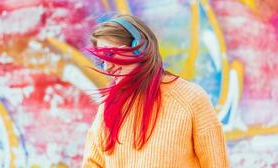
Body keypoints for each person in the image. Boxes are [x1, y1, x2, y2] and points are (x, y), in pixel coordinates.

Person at [82, 14, 230, 168]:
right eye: (102, 60)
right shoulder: (108, 108)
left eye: (111, 54)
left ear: (141, 48)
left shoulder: (191, 99)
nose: (107, 66)